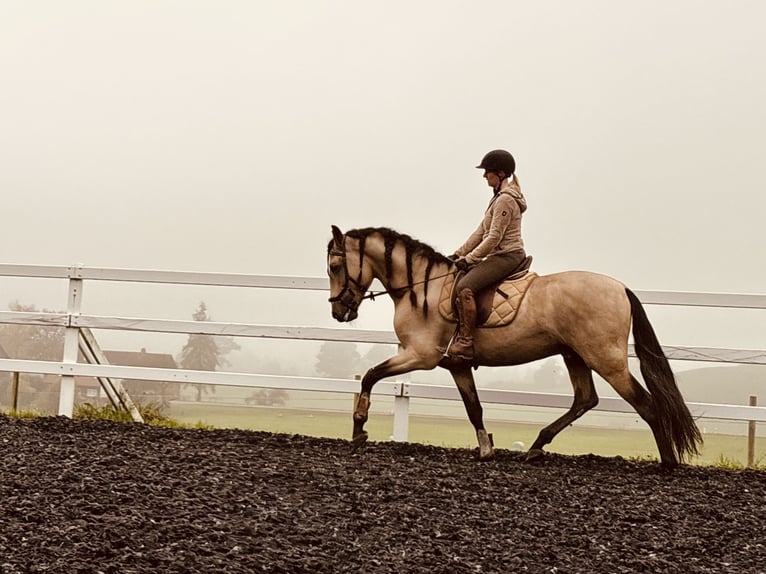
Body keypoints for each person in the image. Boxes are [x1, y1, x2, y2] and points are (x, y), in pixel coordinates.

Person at [447, 149, 528, 361]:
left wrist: (470, 259)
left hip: (507, 256)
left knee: (465, 288)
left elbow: (493, 238)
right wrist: (457, 254)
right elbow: (480, 232)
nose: (484, 176)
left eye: (487, 172)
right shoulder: (498, 198)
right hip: (499, 255)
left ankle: (465, 341)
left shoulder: (505, 200)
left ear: (501, 174)